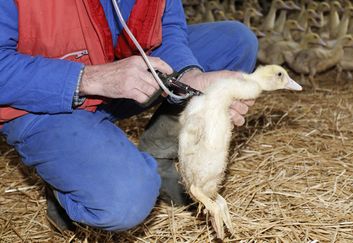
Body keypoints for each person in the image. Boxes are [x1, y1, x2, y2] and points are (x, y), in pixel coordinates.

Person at [0, 0, 258, 232]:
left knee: (235, 41)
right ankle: (70, 181)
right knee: (125, 199)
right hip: (38, 96)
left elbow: (166, 26)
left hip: (119, 70)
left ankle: (160, 157)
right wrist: (88, 79)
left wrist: (188, 76)